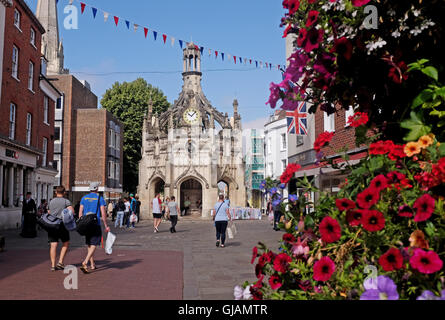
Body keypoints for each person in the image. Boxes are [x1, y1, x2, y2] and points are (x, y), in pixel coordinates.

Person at [78, 182, 110, 273]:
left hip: (86, 224)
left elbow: (80, 212)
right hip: (95, 224)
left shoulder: (84, 198)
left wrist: (81, 222)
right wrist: (106, 225)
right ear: (97, 189)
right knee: (94, 244)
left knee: (89, 244)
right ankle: (85, 262)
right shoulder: (100, 198)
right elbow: (103, 213)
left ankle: (92, 265)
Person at [47, 186, 74, 271]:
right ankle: (60, 262)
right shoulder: (66, 201)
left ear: (56, 192)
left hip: (52, 225)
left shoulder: (51, 201)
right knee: (66, 243)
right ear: (64, 192)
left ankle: (52, 265)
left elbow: (49, 212)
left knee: (53, 245)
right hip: (62, 225)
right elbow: (72, 212)